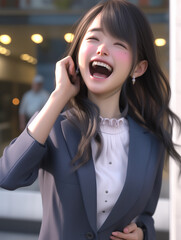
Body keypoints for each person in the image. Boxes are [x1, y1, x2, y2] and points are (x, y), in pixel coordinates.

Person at [0, 0, 180, 239]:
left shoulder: (151, 142)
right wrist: (58, 96)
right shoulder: (54, 126)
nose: (102, 49)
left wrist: (142, 234)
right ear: (77, 52)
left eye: (119, 43)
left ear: (138, 68)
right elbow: (8, 176)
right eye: (93, 38)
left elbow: (146, 216)